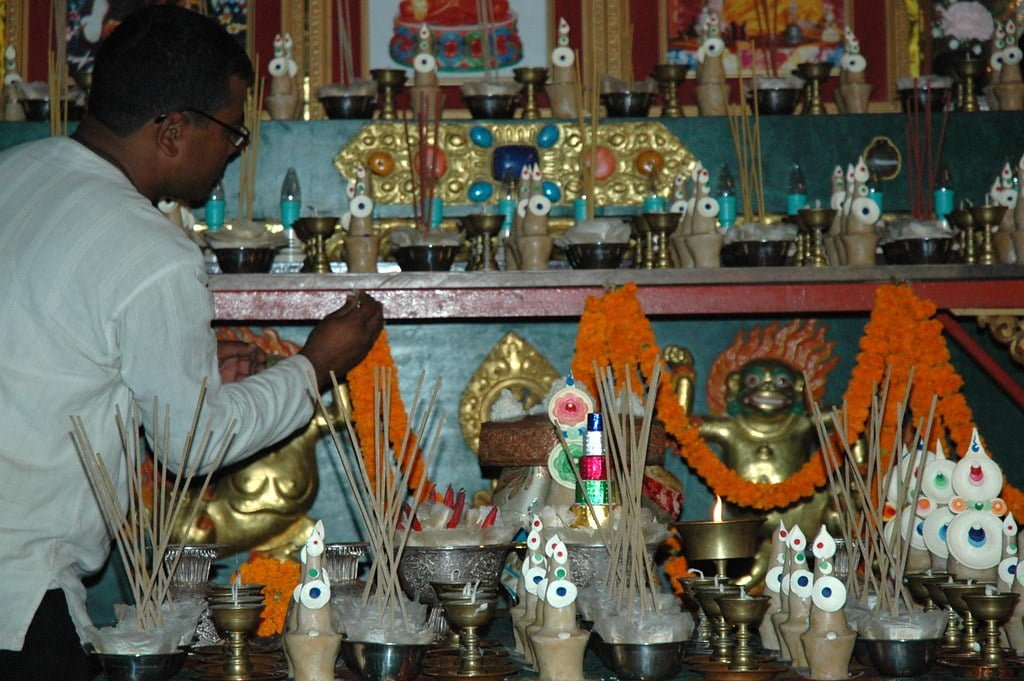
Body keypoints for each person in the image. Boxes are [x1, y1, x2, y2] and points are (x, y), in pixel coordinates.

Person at [0, 6, 383, 680]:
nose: (234, 152)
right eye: (232, 130)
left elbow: (60, 362)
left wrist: (196, 376)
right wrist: (317, 363)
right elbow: (193, 442)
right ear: (173, 130)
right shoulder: (149, 249)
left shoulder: (15, 174)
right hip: (19, 597)